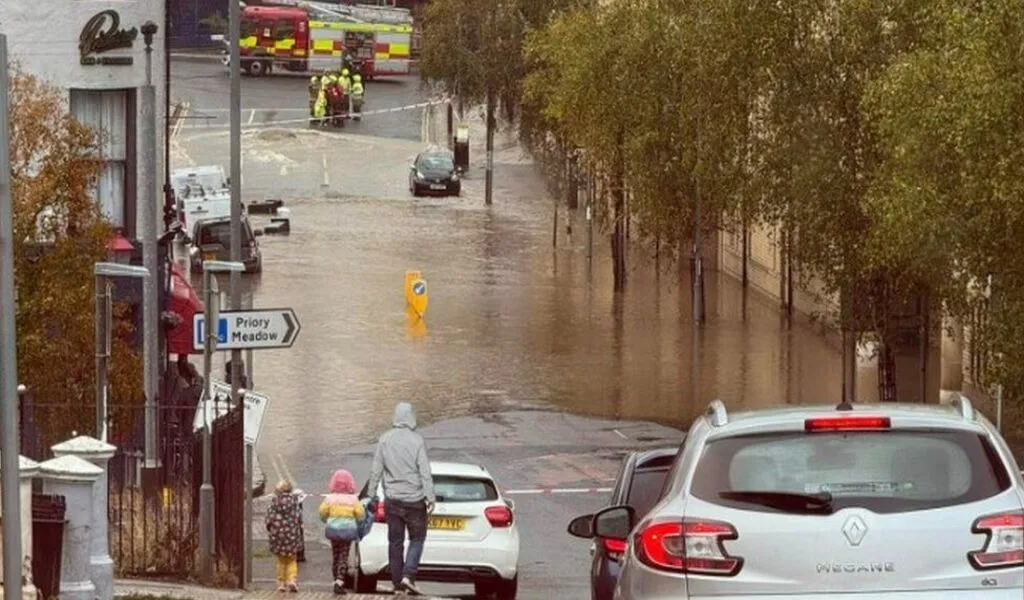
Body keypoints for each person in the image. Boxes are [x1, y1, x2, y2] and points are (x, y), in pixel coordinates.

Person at [367, 402, 435, 596]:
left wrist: (371, 494)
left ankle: (397, 584)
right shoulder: (417, 441)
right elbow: (425, 473)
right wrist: (430, 497)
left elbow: (376, 471)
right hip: (415, 501)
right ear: (411, 417)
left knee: (395, 542)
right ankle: (408, 575)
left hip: (393, 501)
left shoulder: (384, 440)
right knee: (417, 538)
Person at [319, 470, 365, 595]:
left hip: (333, 530)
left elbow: (322, 512)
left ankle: (335, 580)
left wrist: (326, 520)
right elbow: (360, 514)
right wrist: (358, 522)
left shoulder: (329, 498)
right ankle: (340, 581)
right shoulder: (353, 499)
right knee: (343, 556)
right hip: (347, 531)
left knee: (335, 555)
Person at [266, 480, 304, 592]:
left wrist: (270, 529)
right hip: (292, 535)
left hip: (278, 536)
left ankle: (281, 583)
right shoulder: (294, 502)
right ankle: (292, 580)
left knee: (281, 560)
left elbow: (269, 519)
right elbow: (299, 518)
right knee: (292, 560)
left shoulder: (274, 502)